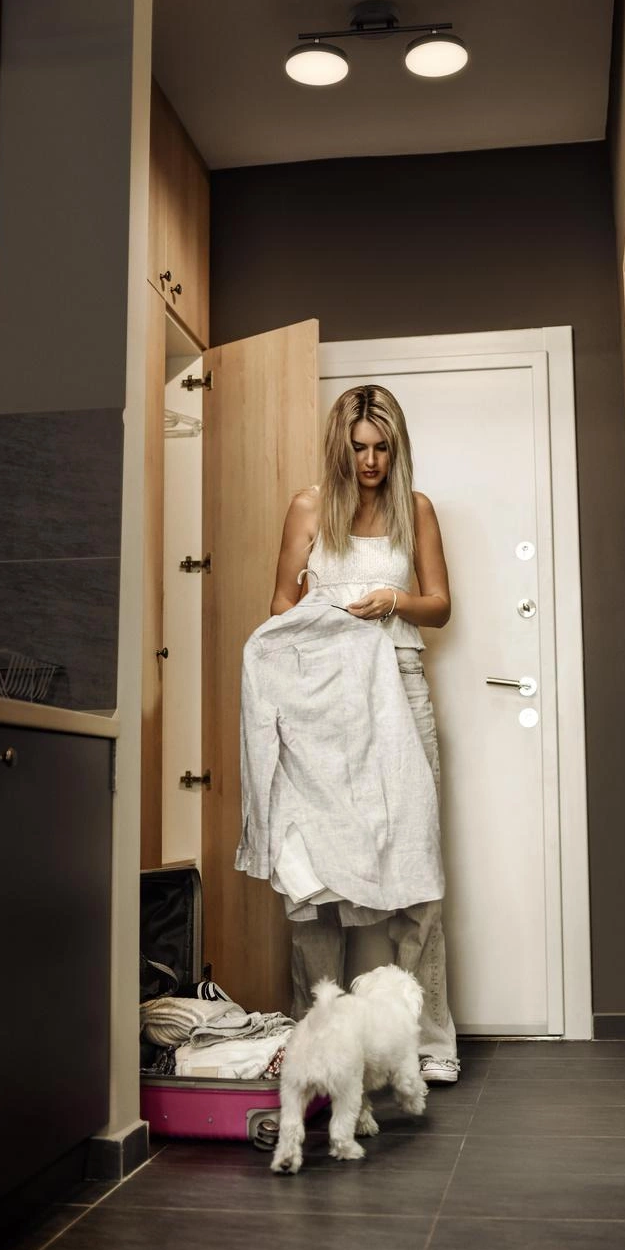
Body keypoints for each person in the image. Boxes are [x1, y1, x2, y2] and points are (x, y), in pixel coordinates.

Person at [269, 383, 460, 1084]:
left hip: (401, 687)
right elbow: (279, 604)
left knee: (416, 864)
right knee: (316, 869)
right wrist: (319, 616)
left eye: (382, 448)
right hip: (323, 696)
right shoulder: (309, 508)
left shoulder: (416, 509)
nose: (371, 461)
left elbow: (439, 606)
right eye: (358, 448)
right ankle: (317, 1037)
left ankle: (429, 1042)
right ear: (338, 447)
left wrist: (395, 601)